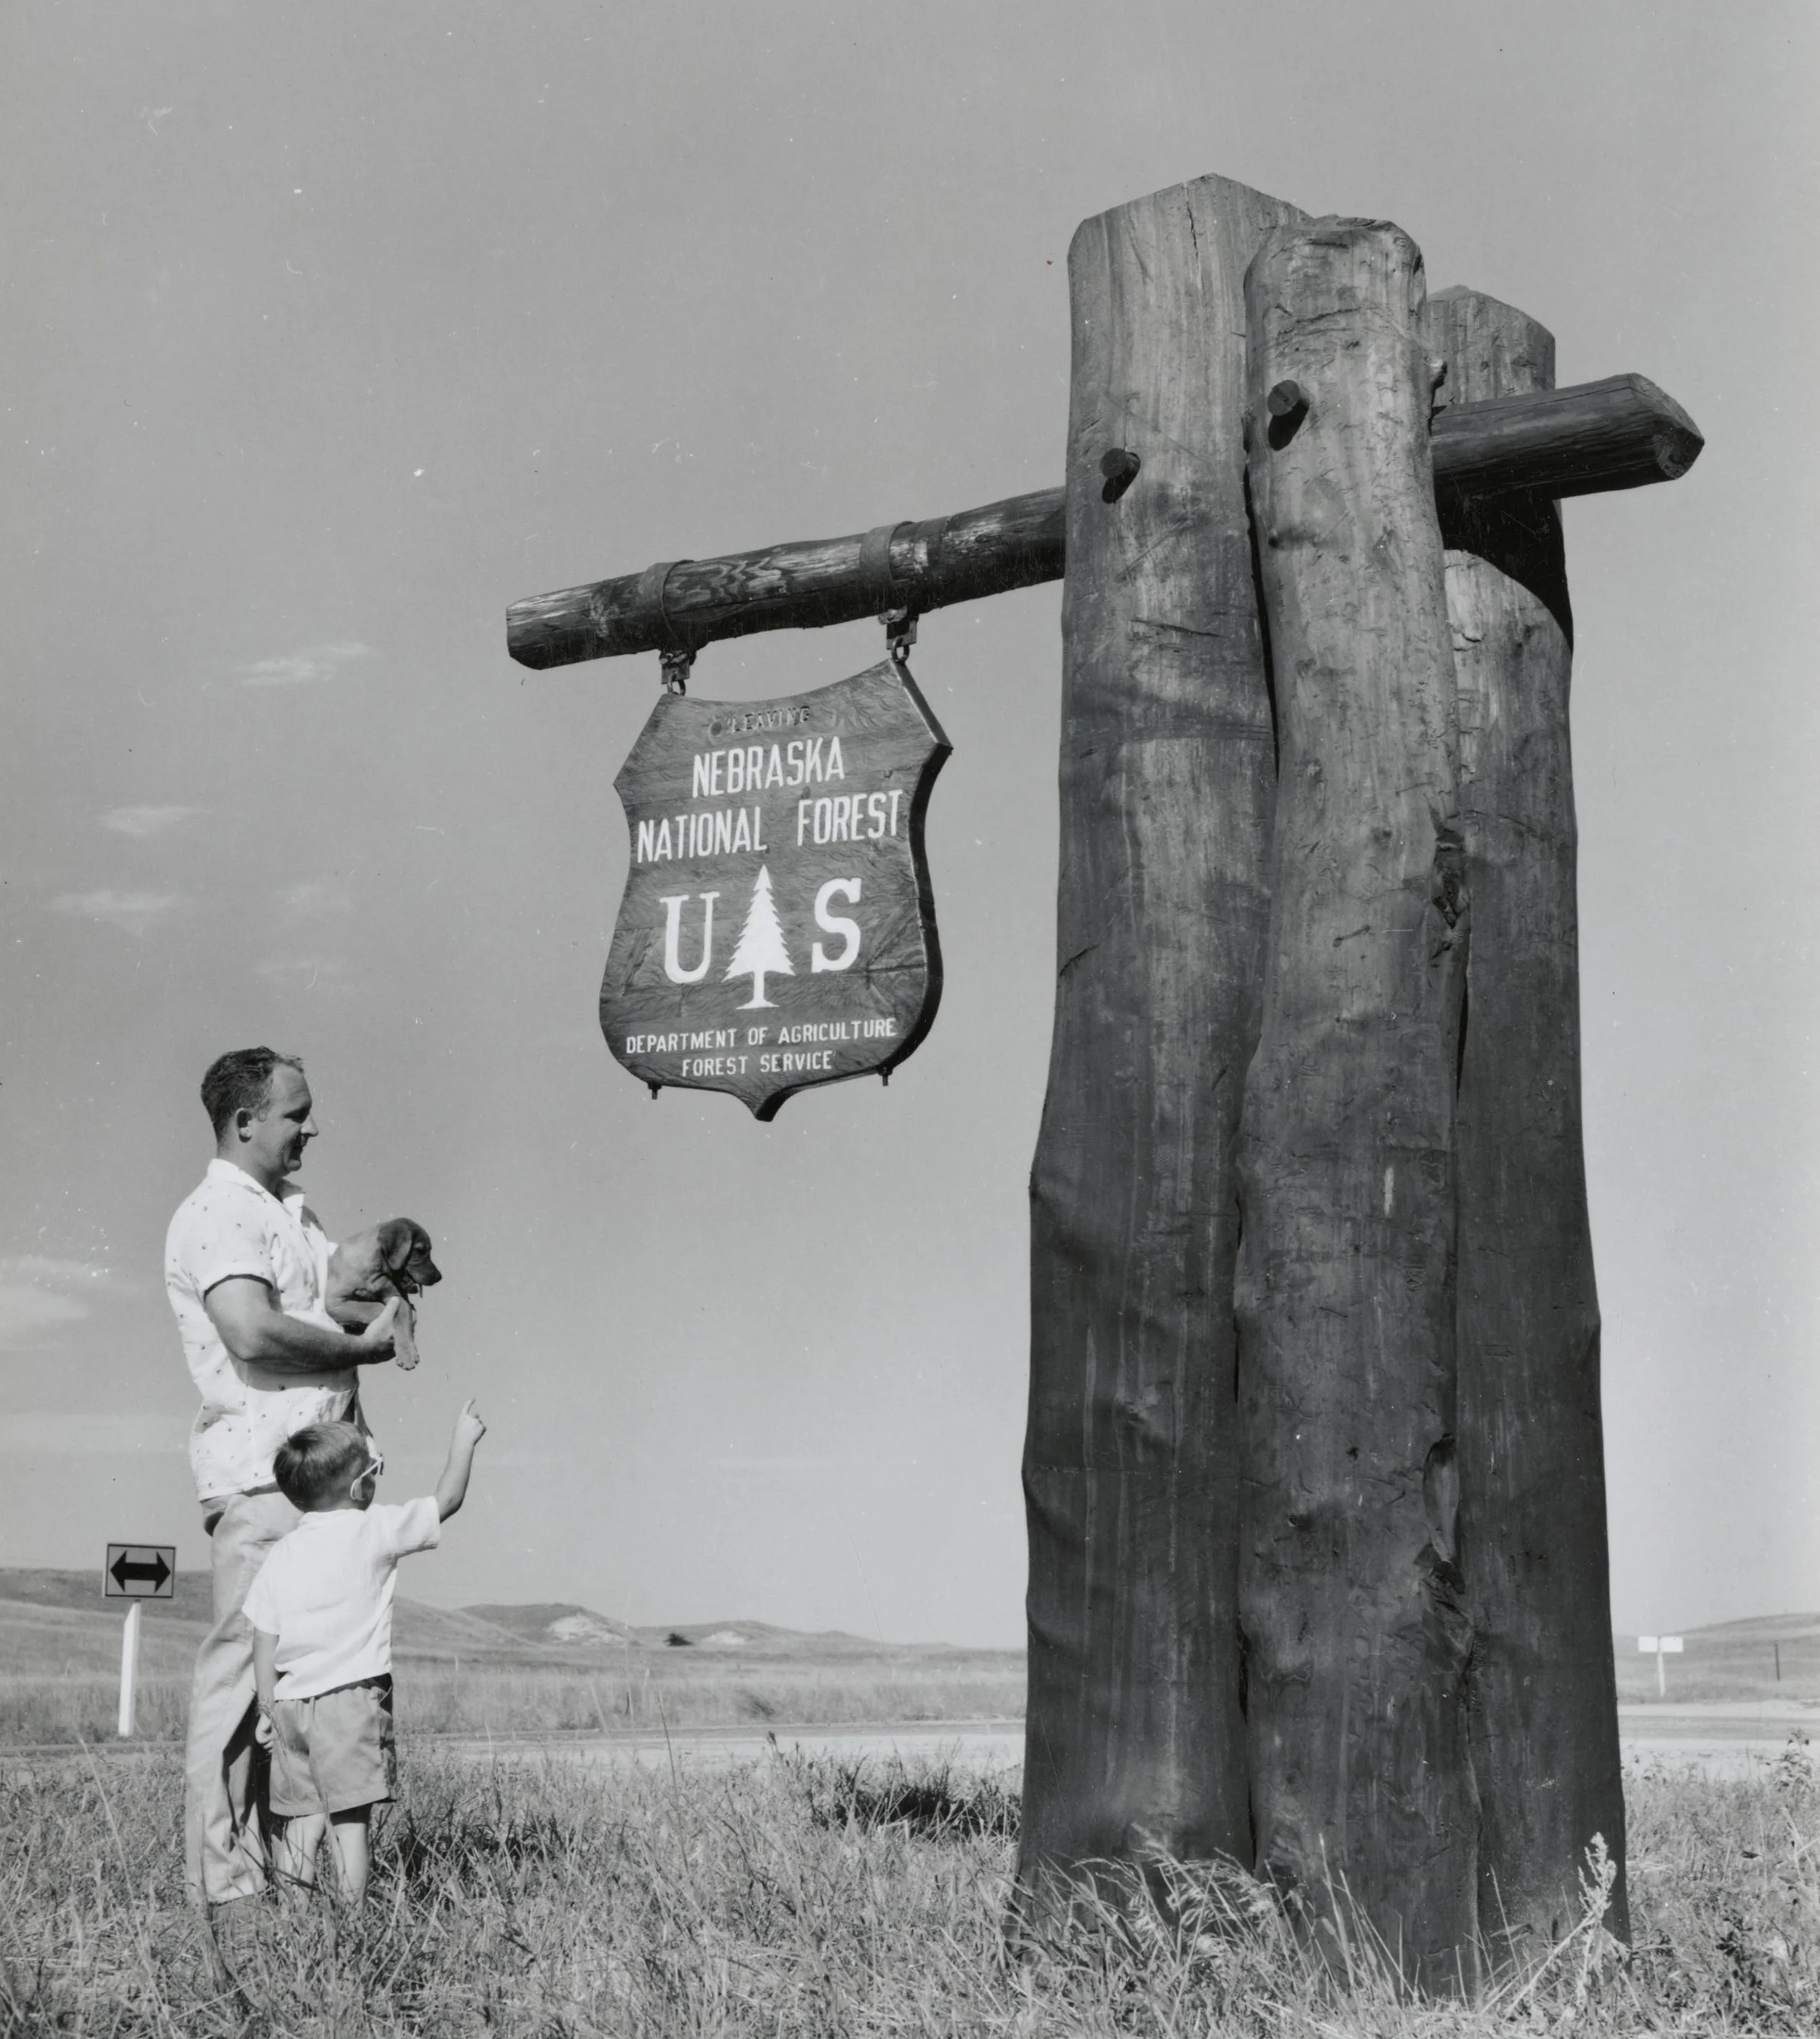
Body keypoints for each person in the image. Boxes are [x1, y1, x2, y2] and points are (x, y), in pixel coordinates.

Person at [165, 1048, 400, 1919]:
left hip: (315, 1481)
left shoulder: (288, 1213)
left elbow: (315, 1306)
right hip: (265, 1480)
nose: (310, 1127)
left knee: (300, 1683)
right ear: (246, 1121)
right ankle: (223, 1889)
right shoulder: (218, 1212)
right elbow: (253, 1332)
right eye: (297, 1113)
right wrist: (357, 1347)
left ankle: (287, 1880)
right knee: (240, 1688)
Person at [246, 1400, 486, 1903]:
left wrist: (266, 1709)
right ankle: (352, 1926)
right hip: (350, 1703)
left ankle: (295, 1925)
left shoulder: (282, 1553)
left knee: (300, 1820)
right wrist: (463, 1440)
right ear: (360, 1487)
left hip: (290, 1706)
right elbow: (447, 1500)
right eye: (375, 1471)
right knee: (349, 1822)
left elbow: (264, 1637)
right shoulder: (373, 1527)